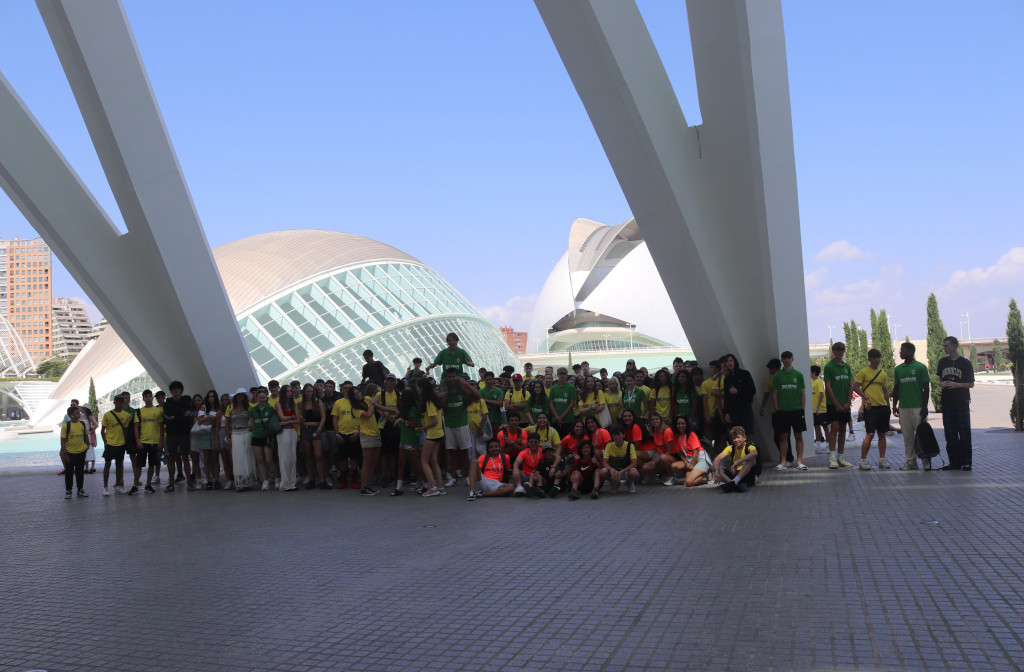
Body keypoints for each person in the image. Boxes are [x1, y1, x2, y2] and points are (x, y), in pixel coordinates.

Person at [937, 336, 975, 470]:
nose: (945, 348)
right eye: (944, 346)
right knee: (950, 434)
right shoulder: (942, 362)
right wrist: (942, 384)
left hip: (961, 403)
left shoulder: (965, 363)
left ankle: (966, 462)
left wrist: (957, 384)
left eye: (946, 346)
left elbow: (971, 384)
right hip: (947, 403)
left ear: (954, 346)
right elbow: (939, 380)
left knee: (964, 433)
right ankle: (954, 462)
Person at [892, 341, 932, 471]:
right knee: (907, 436)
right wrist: (894, 406)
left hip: (918, 407)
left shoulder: (920, 367)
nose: (900, 353)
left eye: (902, 351)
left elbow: (926, 388)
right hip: (904, 407)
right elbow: (896, 388)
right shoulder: (898, 369)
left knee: (921, 435)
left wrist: (925, 407)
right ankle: (911, 461)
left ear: (910, 352)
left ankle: (926, 461)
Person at [852, 348, 891, 470]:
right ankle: (863, 460)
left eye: (878, 357)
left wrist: (889, 406)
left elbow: (885, 391)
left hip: (883, 407)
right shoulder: (864, 372)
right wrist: (865, 397)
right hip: (871, 408)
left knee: (882, 434)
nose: (876, 360)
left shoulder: (883, 373)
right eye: (874, 358)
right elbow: (855, 387)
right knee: (870, 434)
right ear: (869, 359)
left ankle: (882, 459)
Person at [439, 368, 479, 487]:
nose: (451, 379)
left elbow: (478, 396)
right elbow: (438, 404)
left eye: (454, 377)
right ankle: (453, 477)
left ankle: (467, 476)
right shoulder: (444, 391)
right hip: (449, 424)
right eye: (449, 377)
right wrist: (442, 397)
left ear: (458, 377)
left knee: (464, 452)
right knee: (451, 452)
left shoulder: (463, 390)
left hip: (462, 424)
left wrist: (466, 383)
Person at [771, 350, 808, 470]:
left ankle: (800, 462)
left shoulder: (798, 375)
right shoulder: (777, 376)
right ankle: (783, 462)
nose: (787, 360)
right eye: (784, 358)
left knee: (798, 436)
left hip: (797, 410)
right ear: (782, 360)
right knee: (783, 437)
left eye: (789, 358)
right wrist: (777, 409)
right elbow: (775, 393)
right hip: (783, 411)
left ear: (793, 359)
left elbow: (803, 393)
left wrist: (802, 408)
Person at [823, 342, 856, 469]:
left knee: (843, 429)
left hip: (845, 403)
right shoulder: (829, 367)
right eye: (837, 350)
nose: (840, 352)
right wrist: (836, 403)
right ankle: (832, 457)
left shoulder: (847, 367)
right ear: (833, 351)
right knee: (834, 428)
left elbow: (851, 385)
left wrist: (848, 402)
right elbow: (828, 386)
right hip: (833, 404)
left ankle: (841, 457)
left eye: (842, 350)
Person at [416, 378, 447, 497]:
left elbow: (434, 420)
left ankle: (433, 487)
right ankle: (440, 487)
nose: (417, 389)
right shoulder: (435, 400)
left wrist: (422, 428)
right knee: (434, 461)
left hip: (432, 435)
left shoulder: (428, 402)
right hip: (439, 434)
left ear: (422, 388)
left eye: (418, 387)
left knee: (424, 461)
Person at [162, 381, 195, 491]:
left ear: (181, 390)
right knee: (172, 458)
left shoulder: (186, 402)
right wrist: (181, 417)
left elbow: (189, 418)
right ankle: (171, 483)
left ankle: (189, 482)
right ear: (171, 391)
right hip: (172, 434)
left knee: (185, 457)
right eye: (174, 389)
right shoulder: (167, 403)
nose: (176, 390)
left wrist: (175, 418)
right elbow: (166, 420)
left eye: (178, 388)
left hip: (184, 434)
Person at [131, 389, 163, 494]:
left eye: (150, 396)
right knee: (139, 465)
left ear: (152, 398)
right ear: (143, 398)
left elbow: (161, 427)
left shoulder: (158, 411)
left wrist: (160, 442)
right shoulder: (139, 411)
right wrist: (138, 441)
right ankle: (135, 485)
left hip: (154, 441)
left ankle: (148, 484)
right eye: (146, 397)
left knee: (152, 464)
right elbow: (136, 427)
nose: (148, 398)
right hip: (143, 442)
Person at [663, 415, 709, 487]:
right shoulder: (677, 437)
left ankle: (706, 474)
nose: (680, 426)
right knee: (674, 466)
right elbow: (681, 453)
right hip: (689, 460)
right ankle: (697, 473)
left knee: (689, 483)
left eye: (683, 423)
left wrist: (691, 465)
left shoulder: (691, 434)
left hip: (700, 459)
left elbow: (696, 453)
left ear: (686, 424)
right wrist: (686, 462)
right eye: (678, 424)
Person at [227, 389, 258, 491]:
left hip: (246, 432)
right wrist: (228, 437)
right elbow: (227, 424)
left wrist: (252, 426)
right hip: (235, 433)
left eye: (242, 395)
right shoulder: (230, 407)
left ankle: (248, 481)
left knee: (248, 455)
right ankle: (239, 482)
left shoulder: (248, 407)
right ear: (235, 397)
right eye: (238, 395)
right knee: (238, 457)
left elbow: (253, 418)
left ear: (244, 397)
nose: (240, 397)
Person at [101, 393, 131, 496]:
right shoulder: (107, 415)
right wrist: (106, 442)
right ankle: (105, 487)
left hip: (120, 444)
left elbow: (126, 430)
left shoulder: (126, 415)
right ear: (114, 402)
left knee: (119, 465)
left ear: (122, 403)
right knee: (107, 465)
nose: (118, 403)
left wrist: (124, 441)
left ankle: (118, 485)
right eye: (117, 401)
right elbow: (103, 430)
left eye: (120, 401)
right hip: (110, 444)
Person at [249, 389, 280, 490]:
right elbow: (253, 424)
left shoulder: (270, 409)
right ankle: (265, 480)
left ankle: (276, 478)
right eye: (260, 398)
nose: (262, 399)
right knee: (260, 460)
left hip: (267, 437)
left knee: (269, 459)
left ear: (266, 398)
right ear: (256, 398)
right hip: (257, 436)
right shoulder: (253, 410)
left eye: (263, 398)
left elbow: (273, 422)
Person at [596, 424, 639, 495]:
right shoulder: (609, 446)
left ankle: (629, 482)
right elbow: (604, 462)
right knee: (602, 472)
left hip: (625, 470)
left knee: (634, 473)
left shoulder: (630, 445)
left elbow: (634, 463)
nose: (616, 437)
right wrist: (612, 470)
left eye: (618, 434)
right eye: (614, 435)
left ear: (623, 435)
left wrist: (622, 471)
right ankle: (614, 483)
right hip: (614, 470)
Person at [713, 425, 758, 492]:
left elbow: (754, 453)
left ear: (744, 438)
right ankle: (733, 484)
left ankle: (733, 483)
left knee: (751, 460)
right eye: (734, 438)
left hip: (747, 476)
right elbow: (717, 458)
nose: (736, 440)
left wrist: (738, 462)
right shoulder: (731, 448)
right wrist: (717, 470)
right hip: (734, 474)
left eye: (738, 437)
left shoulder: (749, 447)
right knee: (713, 466)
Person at [722, 354, 756, 434]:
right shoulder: (727, 379)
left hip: (745, 409)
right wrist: (726, 412)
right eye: (727, 361)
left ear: (735, 361)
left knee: (745, 434)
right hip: (733, 411)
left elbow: (752, 390)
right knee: (736, 435)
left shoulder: (745, 374)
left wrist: (738, 391)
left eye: (731, 360)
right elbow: (726, 396)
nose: (729, 363)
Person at [61, 405, 90, 499]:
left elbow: (85, 435)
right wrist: (65, 453)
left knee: (80, 472)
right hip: (70, 453)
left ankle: (80, 490)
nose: (79, 413)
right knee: (69, 473)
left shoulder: (82, 424)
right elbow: (63, 440)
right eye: (77, 412)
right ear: (71, 415)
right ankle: (68, 491)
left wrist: (87, 445)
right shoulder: (66, 426)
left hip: (81, 452)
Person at [275, 384, 299, 490]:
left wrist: (289, 420)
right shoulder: (278, 403)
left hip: (292, 431)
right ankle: (285, 483)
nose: (290, 392)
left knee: (293, 458)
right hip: (283, 432)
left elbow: (298, 420)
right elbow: (281, 417)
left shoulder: (294, 404)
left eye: (290, 391)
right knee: (284, 457)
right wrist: (291, 418)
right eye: (287, 391)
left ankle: (292, 483)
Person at [548, 367, 578, 438]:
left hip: (567, 419)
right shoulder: (553, 388)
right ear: (557, 375)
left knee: (566, 440)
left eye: (564, 374)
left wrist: (561, 417)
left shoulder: (571, 387)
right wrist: (557, 417)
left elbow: (572, 404)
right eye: (560, 374)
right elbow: (551, 404)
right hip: (555, 419)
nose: (562, 376)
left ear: (566, 375)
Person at [512, 432, 545, 497]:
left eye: (535, 442)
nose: (533, 444)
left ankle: (530, 490)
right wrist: (515, 468)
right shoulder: (523, 452)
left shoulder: (543, 451)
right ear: (528, 443)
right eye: (531, 442)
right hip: (526, 477)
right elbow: (517, 462)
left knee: (537, 475)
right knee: (515, 469)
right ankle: (519, 487)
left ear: (539, 443)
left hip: (538, 475)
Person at [810, 365, 828, 453]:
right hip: (813, 410)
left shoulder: (819, 382)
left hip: (821, 410)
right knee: (816, 428)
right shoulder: (810, 381)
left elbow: (821, 394)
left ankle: (829, 446)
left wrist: (818, 408)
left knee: (825, 428)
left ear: (813, 372)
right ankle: (818, 446)